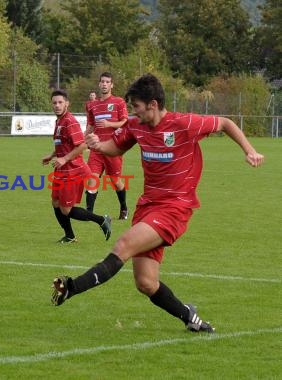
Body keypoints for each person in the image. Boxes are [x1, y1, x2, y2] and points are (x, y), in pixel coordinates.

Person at [51, 74, 264, 332]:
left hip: (175, 208)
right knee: (146, 283)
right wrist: (96, 146)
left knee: (124, 244)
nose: (132, 112)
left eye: (136, 106)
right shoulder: (136, 125)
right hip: (148, 206)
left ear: (152, 104)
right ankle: (191, 318)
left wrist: (249, 150)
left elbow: (226, 124)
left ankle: (73, 286)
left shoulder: (184, 123)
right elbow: (115, 148)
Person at [42, 89, 112, 244]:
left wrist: (64, 159)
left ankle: (102, 220)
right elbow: (64, 144)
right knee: (55, 203)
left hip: (73, 170)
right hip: (62, 169)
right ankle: (70, 236)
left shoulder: (70, 121)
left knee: (66, 209)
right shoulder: (59, 121)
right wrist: (52, 155)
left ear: (67, 103)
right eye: (54, 103)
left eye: (60, 102)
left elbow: (82, 145)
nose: (57, 105)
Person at [85, 72, 129, 220]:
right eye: (102, 81)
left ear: (111, 85)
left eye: (107, 82)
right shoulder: (93, 105)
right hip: (96, 148)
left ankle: (123, 207)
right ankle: (89, 213)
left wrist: (109, 124)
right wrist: (83, 141)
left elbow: (124, 121)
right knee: (92, 178)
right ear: (99, 84)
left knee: (116, 181)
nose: (104, 84)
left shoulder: (118, 102)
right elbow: (91, 125)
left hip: (112, 148)